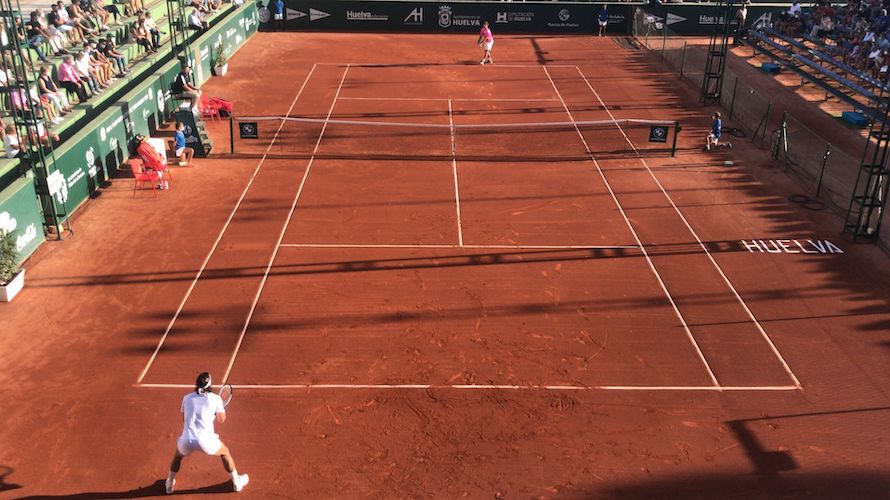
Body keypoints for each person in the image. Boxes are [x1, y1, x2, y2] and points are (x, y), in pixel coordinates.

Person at [165, 372, 248, 494]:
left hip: (187, 439)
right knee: (225, 453)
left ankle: (169, 484)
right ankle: (237, 482)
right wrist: (216, 412)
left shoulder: (186, 398)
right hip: (206, 441)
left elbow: (184, 419)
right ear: (210, 385)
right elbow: (221, 419)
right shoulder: (215, 399)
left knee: (177, 456)